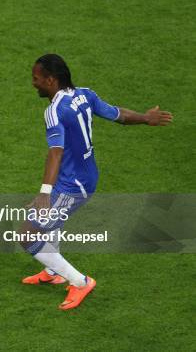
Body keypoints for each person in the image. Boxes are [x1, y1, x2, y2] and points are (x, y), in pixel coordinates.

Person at [22, 54, 172, 310]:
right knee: (48, 220)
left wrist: (45, 193)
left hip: (73, 184)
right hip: (83, 175)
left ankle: (80, 282)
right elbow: (118, 115)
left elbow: (55, 152)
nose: (33, 83)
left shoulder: (54, 111)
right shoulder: (85, 94)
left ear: (50, 79)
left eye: (36, 79)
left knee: (27, 234)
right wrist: (144, 118)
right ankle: (52, 271)